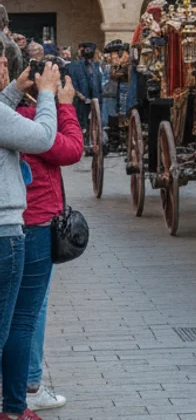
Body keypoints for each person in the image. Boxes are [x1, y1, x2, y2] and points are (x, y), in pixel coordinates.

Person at [14, 71, 79, 414]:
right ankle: (28, 383)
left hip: (20, 219)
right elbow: (69, 149)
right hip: (33, 220)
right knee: (31, 309)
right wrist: (61, 103)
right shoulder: (25, 119)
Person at [0, 61, 60, 420]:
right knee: (9, 325)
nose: (6, 64)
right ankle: (12, 408)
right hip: (5, 230)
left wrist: (11, 92)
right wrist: (50, 95)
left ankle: (13, 407)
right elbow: (44, 138)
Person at [65, 44, 102, 152]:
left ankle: (92, 142)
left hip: (95, 98)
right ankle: (82, 143)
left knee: (94, 122)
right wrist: (80, 95)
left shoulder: (96, 65)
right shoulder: (75, 66)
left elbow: (99, 82)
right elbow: (73, 81)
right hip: (81, 98)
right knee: (82, 122)